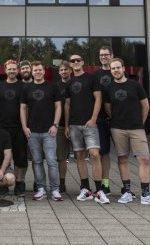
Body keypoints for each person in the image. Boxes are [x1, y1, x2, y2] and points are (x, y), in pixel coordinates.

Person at [103, 58, 150, 206]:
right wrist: (117, 120)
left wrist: (140, 122)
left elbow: (146, 106)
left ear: (123, 68)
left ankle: (146, 194)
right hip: (118, 128)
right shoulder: (108, 88)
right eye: (113, 69)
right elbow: (108, 109)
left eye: (118, 67)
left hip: (136, 128)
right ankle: (127, 192)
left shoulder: (135, 86)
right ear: (110, 71)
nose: (116, 70)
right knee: (122, 159)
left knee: (144, 159)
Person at [64, 53, 106, 204]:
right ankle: (85, 188)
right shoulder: (68, 83)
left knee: (94, 154)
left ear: (82, 62)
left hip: (90, 124)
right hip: (74, 124)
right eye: (72, 61)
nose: (75, 62)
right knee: (79, 156)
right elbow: (67, 105)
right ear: (70, 64)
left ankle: (99, 190)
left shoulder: (91, 78)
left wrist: (94, 118)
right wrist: (67, 125)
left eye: (78, 60)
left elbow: (98, 99)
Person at [20, 61, 62, 201]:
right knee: (37, 161)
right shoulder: (26, 88)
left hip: (49, 131)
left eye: (40, 70)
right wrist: (25, 127)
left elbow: (58, 107)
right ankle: (41, 189)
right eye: (35, 70)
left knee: (51, 161)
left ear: (44, 71)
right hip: (32, 132)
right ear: (32, 72)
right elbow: (23, 108)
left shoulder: (52, 86)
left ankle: (55, 190)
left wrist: (55, 125)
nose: (37, 72)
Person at [0, 60, 28, 197]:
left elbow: (26, 107)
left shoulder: (23, 87)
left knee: (20, 157)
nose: (12, 71)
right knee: (3, 157)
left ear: (17, 70)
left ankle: (19, 183)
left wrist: (26, 125)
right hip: (2, 128)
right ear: (5, 70)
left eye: (14, 69)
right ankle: (4, 183)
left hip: (19, 127)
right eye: (9, 69)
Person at [94, 45, 115, 194]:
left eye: (106, 55)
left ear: (112, 56)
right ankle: (104, 184)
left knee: (123, 155)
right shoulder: (95, 75)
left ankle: (126, 187)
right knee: (103, 152)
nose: (103, 57)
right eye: (101, 55)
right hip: (101, 119)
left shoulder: (118, 72)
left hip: (119, 119)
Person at [54, 61, 72, 193]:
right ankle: (61, 183)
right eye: (61, 70)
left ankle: (87, 185)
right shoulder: (56, 86)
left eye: (66, 69)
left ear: (70, 70)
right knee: (61, 157)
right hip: (61, 126)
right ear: (59, 72)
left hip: (77, 124)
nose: (64, 72)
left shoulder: (77, 84)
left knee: (82, 156)